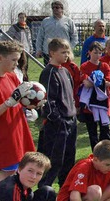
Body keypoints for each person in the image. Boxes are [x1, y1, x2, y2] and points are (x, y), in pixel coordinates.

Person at [0, 41, 35, 182]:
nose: (17, 63)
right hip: (3, 136)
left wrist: (31, 103)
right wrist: (9, 102)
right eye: (14, 60)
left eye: (18, 60)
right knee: (8, 176)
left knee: (21, 170)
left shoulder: (11, 76)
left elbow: (19, 99)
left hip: (18, 131)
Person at [37, 38, 77, 189]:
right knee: (54, 159)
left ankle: (65, 189)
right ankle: (44, 188)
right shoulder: (48, 72)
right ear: (52, 53)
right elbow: (48, 100)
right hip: (58, 124)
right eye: (63, 52)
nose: (66, 55)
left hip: (71, 121)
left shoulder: (66, 71)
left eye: (67, 52)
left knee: (68, 159)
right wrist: (57, 119)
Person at [79, 41, 110, 150]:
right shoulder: (84, 66)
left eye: (99, 53)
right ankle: (95, 153)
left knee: (105, 129)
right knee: (92, 131)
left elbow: (109, 83)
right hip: (89, 103)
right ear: (89, 52)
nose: (97, 55)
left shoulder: (105, 66)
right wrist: (99, 81)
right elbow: (86, 84)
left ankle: (107, 152)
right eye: (95, 53)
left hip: (102, 102)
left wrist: (95, 80)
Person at [35, 1, 77, 66]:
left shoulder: (69, 21)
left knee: (64, 72)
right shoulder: (46, 21)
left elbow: (74, 37)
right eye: (53, 8)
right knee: (49, 72)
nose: (54, 9)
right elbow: (40, 36)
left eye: (57, 7)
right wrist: (39, 49)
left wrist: (69, 49)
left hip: (64, 53)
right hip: (49, 53)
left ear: (62, 9)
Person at [4, 12, 33, 81]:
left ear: (25, 18)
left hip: (26, 50)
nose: (22, 19)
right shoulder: (14, 27)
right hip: (18, 50)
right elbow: (7, 36)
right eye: (20, 17)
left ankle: (25, 79)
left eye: (23, 17)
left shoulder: (27, 28)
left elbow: (29, 39)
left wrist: (31, 48)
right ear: (18, 18)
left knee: (25, 66)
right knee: (19, 65)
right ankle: (18, 79)